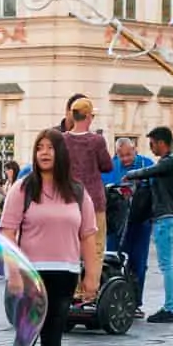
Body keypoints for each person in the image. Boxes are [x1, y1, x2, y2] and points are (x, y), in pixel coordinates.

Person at [0, 129, 102, 346]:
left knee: (53, 339)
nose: (44, 153)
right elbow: (7, 231)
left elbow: (88, 236)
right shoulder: (23, 188)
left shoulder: (77, 192)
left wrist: (91, 275)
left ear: (61, 153)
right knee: (25, 339)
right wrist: (14, 273)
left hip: (65, 273)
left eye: (50, 148)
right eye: (39, 148)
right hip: (31, 274)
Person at [121, 127, 173, 324]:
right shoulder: (169, 162)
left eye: (152, 143)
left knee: (167, 266)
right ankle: (170, 306)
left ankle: (170, 308)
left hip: (166, 218)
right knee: (167, 265)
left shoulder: (170, 161)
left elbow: (150, 171)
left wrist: (130, 174)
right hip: (166, 218)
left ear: (161, 142)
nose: (151, 147)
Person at [103, 137, 155, 312]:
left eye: (128, 154)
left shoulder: (147, 164)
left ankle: (135, 302)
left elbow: (156, 192)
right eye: (121, 155)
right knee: (112, 260)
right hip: (115, 223)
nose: (125, 159)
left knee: (138, 262)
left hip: (140, 222)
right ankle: (113, 298)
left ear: (135, 150)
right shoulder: (110, 166)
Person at [60, 96, 114, 242]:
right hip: (94, 200)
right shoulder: (97, 140)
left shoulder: (62, 139)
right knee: (96, 246)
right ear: (88, 116)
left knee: (72, 244)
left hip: (69, 199)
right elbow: (107, 166)